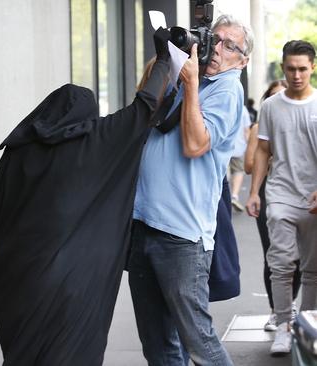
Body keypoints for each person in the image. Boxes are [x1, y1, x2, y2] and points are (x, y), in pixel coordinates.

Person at [0, 29, 171, 365]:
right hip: (70, 281)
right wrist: (166, 60)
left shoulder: (17, 150)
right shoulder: (94, 141)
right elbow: (144, 107)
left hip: (10, 274)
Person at [128, 14, 253, 366]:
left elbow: (195, 144)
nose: (218, 48)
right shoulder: (187, 74)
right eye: (215, 38)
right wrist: (166, 57)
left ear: (243, 60)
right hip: (144, 224)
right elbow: (145, 106)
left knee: (198, 341)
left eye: (230, 45)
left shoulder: (228, 89)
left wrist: (193, 83)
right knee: (157, 344)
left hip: (182, 236)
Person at [246, 40, 317, 356]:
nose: (297, 75)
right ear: (283, 68)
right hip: (280, 195)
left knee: (313, 269)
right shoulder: (271, 106)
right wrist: (253, 192)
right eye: (291, 69)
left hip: (314, 197)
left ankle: (307, 324)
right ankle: (285, 326)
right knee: (282, 263)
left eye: (303, 68)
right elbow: (263, 150)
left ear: (312, 67)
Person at [243, 79, 300, 333]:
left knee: (299, 257)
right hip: (269, 192)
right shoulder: (259, 128)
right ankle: (277, 310)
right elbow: (247, 165)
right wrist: (275, 156)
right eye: (275, 96)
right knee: (274, 255)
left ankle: (290, 306)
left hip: (298, 191)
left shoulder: (300, 121)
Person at [228, 107, 249, 211]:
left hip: (220, 147)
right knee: (238, 171)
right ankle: (234, 195)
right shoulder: (242, 108)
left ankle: (220, 197)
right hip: (238, 147)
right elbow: (246, 130)